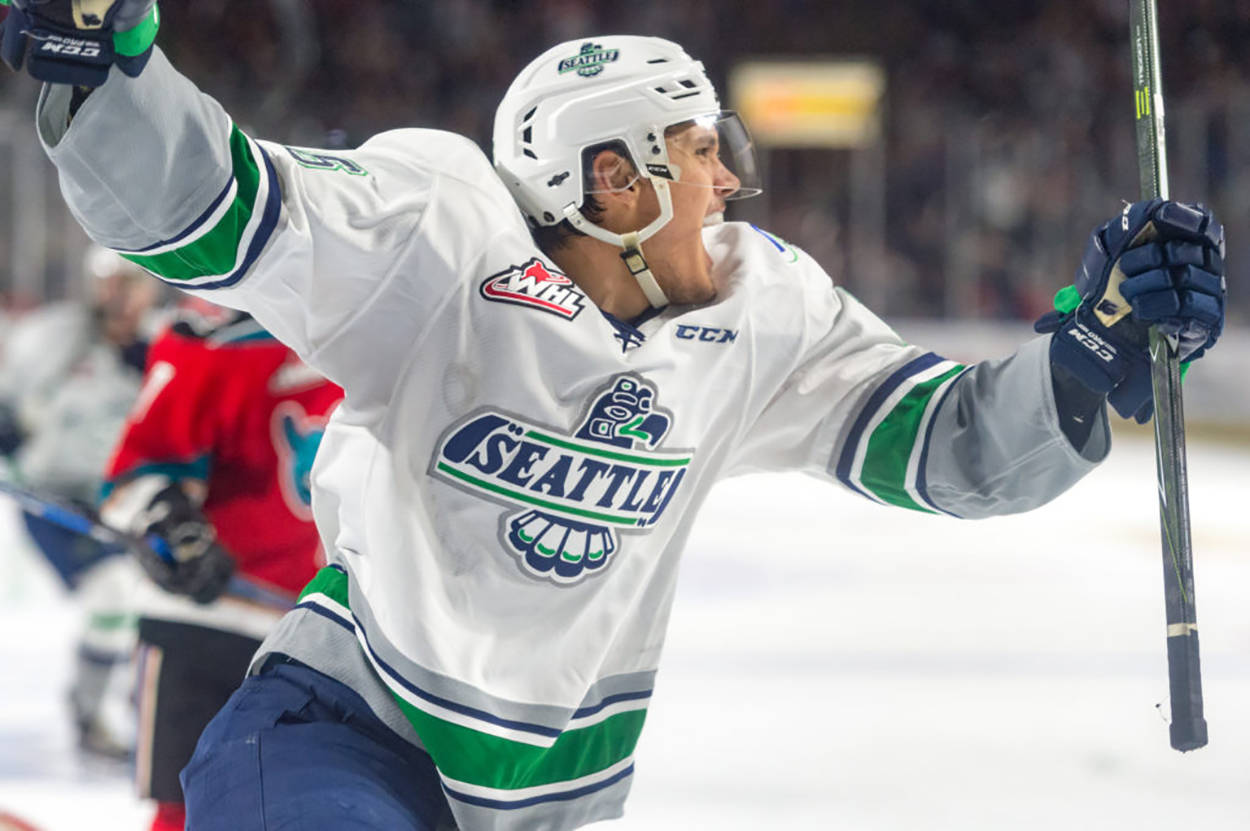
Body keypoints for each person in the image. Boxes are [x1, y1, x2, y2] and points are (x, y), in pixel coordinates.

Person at [3, 4, 1227, 830]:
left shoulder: (762, 303)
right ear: (613, 178)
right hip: (336, 732)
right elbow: (216, 203)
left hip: (540, 797)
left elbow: (952, 447)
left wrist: (1087, 351)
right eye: (700, 151)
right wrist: (107, 70)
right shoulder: (438, 232)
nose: (730, 177)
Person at [98, 297, 343, 831]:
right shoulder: (220, 338)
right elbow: (139, 471)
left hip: (327, 639)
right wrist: (171, 524)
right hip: (211, 625)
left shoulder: (390, 327)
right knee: (189, 812)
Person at [0, 243, 165, 759]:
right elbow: (8, 404)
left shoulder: (162, 346)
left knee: (152, 603)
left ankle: (146, 706)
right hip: (52, 500)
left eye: (132, 284)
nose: (120, 296)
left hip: (121, 503)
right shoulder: (57, 336)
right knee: (112, 592)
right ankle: (89, 714)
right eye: (112, 282)